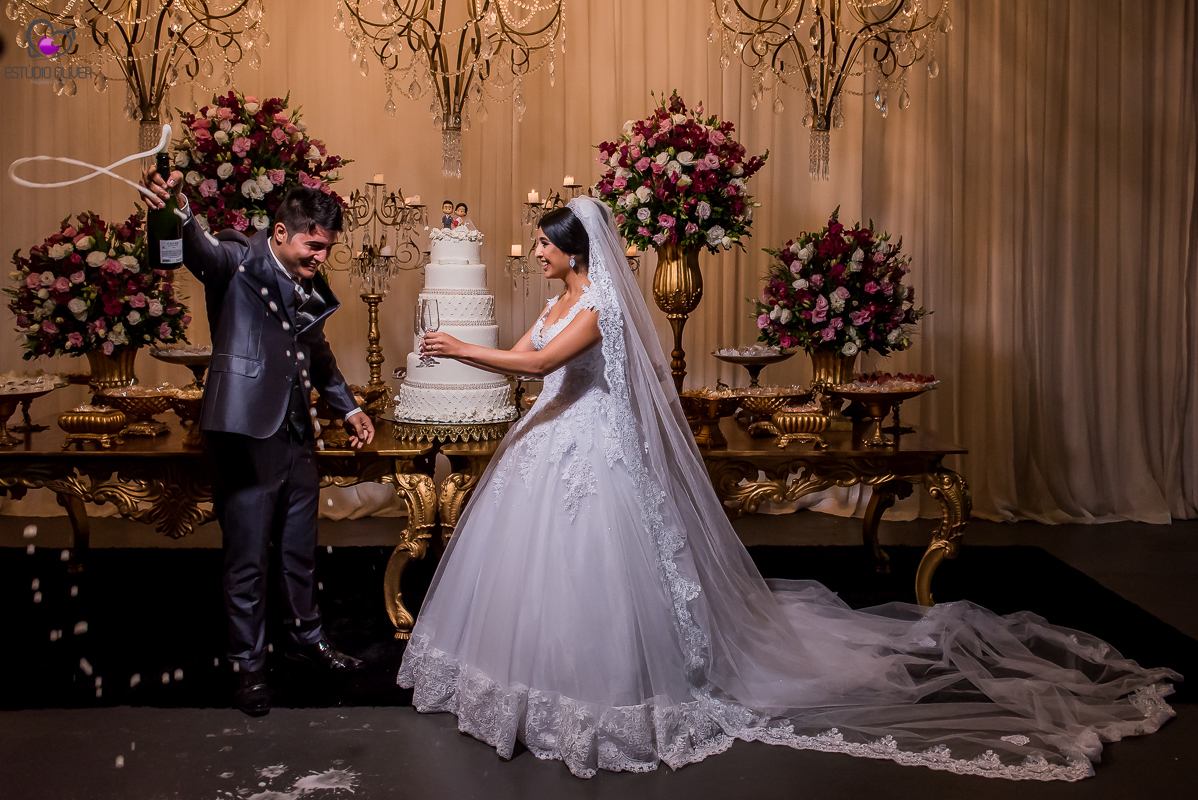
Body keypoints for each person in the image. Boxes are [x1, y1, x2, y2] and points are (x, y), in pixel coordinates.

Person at [402, 197, 1179, 780]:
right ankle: (529, 686)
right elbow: (526, 359)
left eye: (545, 241)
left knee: (598, 571)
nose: (536, 250)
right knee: (536, 573)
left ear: (575, 250)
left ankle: (613, 694)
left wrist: (458, 347)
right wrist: (465, 360)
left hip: (592, 447)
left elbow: (539, 365)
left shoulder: (601, 306)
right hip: (548, 442)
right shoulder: (558, 301)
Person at [141, 170, 375, 717]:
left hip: (296, 435)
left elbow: (317, 353)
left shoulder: (308, 281)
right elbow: (195, 252)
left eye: (327, 248)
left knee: (299, 552)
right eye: (313, 245)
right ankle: (248, 667)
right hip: (244, 434)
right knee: (247, 559)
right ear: (280, 232)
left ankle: (307, 641)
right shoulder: (235, 258)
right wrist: (175, 208)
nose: (321, 257)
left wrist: (349, 407)